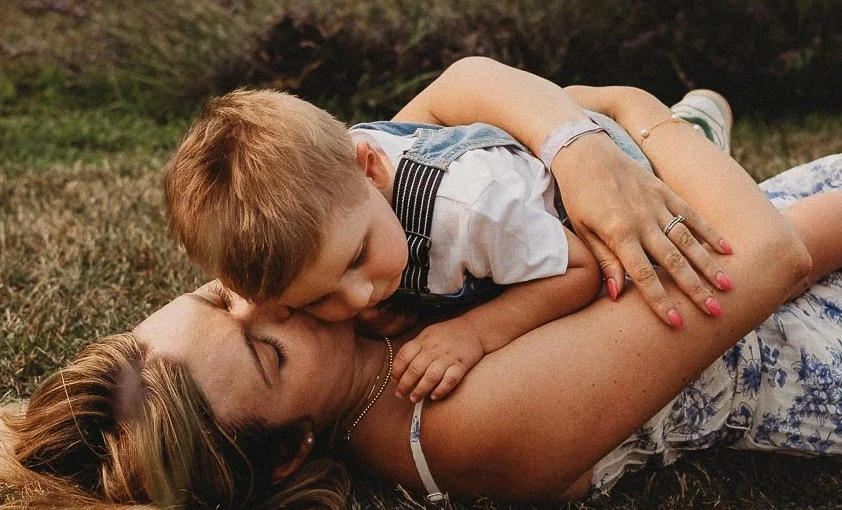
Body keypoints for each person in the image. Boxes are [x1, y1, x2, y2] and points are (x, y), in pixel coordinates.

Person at [0, 66, 838, 510]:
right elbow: (761, 262)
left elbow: (454, 99)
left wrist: (576, 148)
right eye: (264, 348)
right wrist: (631, 117)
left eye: (215, 296)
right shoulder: (461, 423)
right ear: (297, 447)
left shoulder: (368, 279)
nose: (268, 304)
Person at [165, 78, 734, 402]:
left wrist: (473, 334)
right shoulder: (340, 195)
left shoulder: (468, 209)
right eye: (318, 299)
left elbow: (580, 268)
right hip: (514, 217)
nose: (359, 297)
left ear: (371, 170)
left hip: (616, 189)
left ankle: (697, 130)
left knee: (695, 224)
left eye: (358, 260)